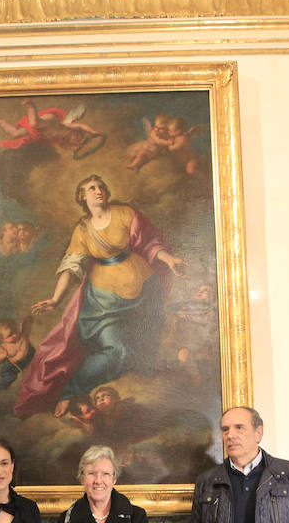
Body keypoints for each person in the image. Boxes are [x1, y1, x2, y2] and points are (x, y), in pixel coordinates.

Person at [15, 174, 187, 419]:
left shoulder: (125, 213)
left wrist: (169, 259)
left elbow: (148, 243)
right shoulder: (83, 230)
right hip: (105, 302)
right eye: (91, 188)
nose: (98, 191)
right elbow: (71, 265)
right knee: (115, 350)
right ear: (82, 197)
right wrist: (55, 299)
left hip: (145, 291)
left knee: (147, 345)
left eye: (101, 187)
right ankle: (71, 390)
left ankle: (144, 385)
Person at [0, 316, 35, 391]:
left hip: (28, 357)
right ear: (2, 339)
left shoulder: (22, 339)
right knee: (5, 370)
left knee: (30, 370)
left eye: (15, 331)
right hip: (15, 362)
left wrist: (16, 358)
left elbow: (23, 351)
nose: (15, 335)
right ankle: (2, 386)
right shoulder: (3, 346)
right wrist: (2, 356)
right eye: (10, 335)